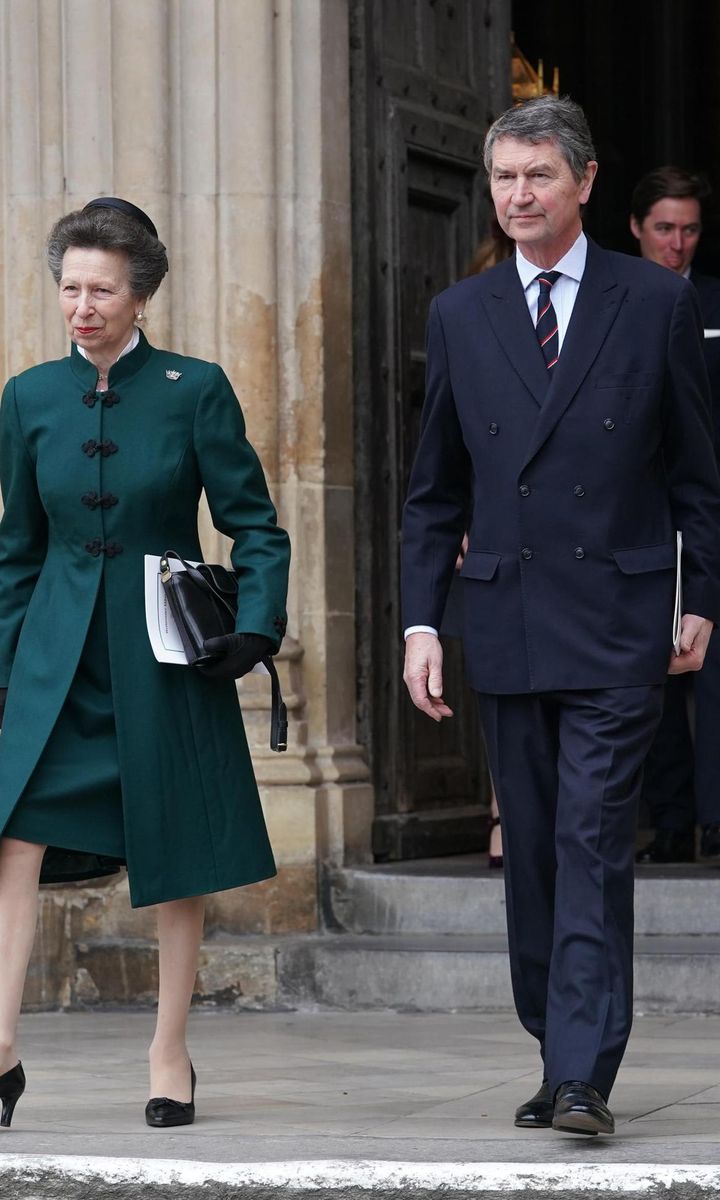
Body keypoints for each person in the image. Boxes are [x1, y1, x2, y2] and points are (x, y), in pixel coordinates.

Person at [401, 96, 720, 1137]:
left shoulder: (653, 302)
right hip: (506, 618)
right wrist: (419, 626)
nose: (518, 194)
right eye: (504, 177)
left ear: (584, 184)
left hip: (622, 616)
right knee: (533, 844)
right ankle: (557, 1045)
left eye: (539, 175)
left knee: (590, 838)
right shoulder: (462, 312)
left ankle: (584, 1070)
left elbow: (696, 473)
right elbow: (433, 492)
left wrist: (699, 596)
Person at [0, 198, 290, 1129]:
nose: (82, 306)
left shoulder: (194, 387)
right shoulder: (27, 398)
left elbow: (253, 521)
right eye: (69, 288)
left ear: (141, 295)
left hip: (163, 655)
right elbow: (17, 549)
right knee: (14, 836)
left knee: (176, 848)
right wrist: (6, 661)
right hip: (55, 659)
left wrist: (255, 623)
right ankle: (0, 1045)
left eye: (102, 290)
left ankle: (170, 1051)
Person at [629, 166, 720, 864]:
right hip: (639, 519)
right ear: (636, 228)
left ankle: (714, 816)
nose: (677, 243)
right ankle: (669, 817)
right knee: (650, 664)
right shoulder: (612, 305)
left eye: (689, 230)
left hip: (709, 512)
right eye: (664, 228)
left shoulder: (714, 303)